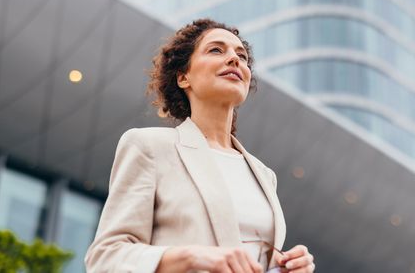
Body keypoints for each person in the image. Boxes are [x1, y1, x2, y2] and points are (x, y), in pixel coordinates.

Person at [84, 19, 315, 273]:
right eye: (216, 50)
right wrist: (190, 258)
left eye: (242, 55)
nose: (235, 59)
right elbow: (105, 258)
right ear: (184, 77)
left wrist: (288, 266)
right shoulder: (149, 146)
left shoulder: (264, 175)